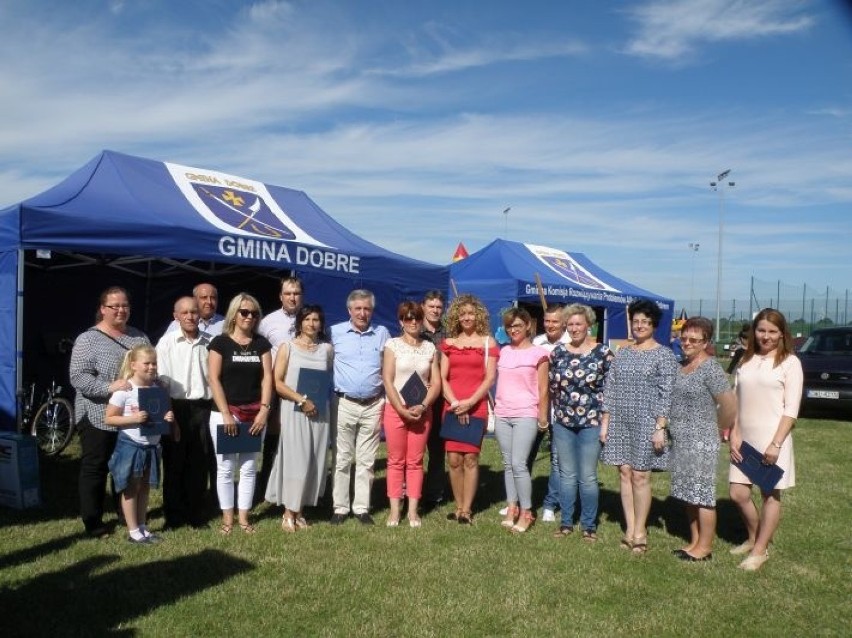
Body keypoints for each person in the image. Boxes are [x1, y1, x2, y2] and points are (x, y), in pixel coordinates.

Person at [70, 286, 150, 538]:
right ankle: (92, 521)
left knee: (126, 467)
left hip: (130, 418)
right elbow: (77, 377)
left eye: (124, 305)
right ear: (102, 309)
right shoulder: (87, 339)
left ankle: (124, 513)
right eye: (114, 306)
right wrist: (108, 387)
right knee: (96, 468)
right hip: (97, 414)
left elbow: (150, 366)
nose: (120, 310)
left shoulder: (139, 338)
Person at [600, 298, 679, 554]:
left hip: (647, 421)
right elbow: (610, 388)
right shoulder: (623, 353)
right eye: (636, 321)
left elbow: (667, 393)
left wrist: (660, 427)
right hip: (621, 420)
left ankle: (641, 531)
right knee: (624, 472)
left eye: (645, 322)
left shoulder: (664, 355)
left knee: (641, 475)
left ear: (654, 325)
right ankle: (629, 528)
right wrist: (605, 422)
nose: (640, 326)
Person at [728, 308, 803, 571]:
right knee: (737, 493)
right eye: (761, 330)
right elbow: (735, 399)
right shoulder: (745, 360)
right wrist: (733, 432)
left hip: (773, 439)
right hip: (744, 439)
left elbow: (791, 410)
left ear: (782, 333)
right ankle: (754, 537)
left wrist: (776, 443)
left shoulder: (790, 363)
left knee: (770, 494)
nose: (766, 336)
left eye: (772, 331)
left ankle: (760, 551)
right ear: (753, 331)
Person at [669, 316, 736, 561]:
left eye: (693, 339)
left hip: (701, 440)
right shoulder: (682, 366)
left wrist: (717, 430)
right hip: (681, 440)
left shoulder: (711, 368)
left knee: (703, 495)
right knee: (688, 494)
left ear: (705, 341)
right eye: (684, 338)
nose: (686, 342)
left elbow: (730, 405)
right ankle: (694, 541)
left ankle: (705, 548)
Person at [207, 293, 273, 535]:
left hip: (255, 414)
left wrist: (264, 411)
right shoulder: (219, 343)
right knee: (225, 467)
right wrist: (225, 413)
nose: (249, 317)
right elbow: (213, 379)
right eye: (244, 312)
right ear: (234, 314)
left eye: (254, 313)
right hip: (226, 413)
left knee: (248, 466)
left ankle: (243, 517)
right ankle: (227, 518)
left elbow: (267, 378)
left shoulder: (262, 344)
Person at [548, 303, 614, 541]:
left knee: (587, 476)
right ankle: (566, 522)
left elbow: (611, 390)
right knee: (566, 475)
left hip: (591, 423)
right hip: (563, 422)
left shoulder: (603, 353)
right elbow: (552, 387)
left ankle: (588, 525)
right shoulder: (557, 352)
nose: (574, 328)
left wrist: (606, 422)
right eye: (571, 324)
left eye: (579, 324)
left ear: (589, 325)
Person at [265, 305, 333, 531]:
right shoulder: (287, 347)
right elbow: (278, 383)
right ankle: (288, 513)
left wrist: (315, 403)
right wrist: (302, 400)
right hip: (295, 411)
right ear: (300, 322)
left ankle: (300, 511)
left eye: (316, 320)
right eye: (307, 319)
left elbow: (326, 379)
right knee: (296, 460)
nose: (312, 324)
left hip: (319, 413)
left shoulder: (327, 349)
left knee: (314, 460)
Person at [329, 290, 390, 526]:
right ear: (349, 311)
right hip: (344, 402)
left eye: (367, 309)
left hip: (373, 403)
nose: (362, 313)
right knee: (342, 458)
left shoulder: (382, 333)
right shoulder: (334, 333)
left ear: (372, 311)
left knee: (367, 460)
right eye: (358, 309)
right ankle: (340, 507)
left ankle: (362, 507)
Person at [105, 344, 176, 544]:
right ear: (133, 365)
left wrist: (167, 416)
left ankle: (143, 526)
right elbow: (109, 418)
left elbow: (161, 415)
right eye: (147, 363)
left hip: (151, 446)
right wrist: (134, 419)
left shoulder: (157, 389)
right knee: (130, 488)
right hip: (131, 444)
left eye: (154, 363)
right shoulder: (125, 390)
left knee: (144, 487)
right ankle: (133, 530)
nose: (152, 367)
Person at [382, 301, 442, 527]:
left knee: (416, 462)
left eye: (416, 317)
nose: (413, 322)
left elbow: (435, 383)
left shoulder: (429, 348)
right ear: (401, 322)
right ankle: (395, 511)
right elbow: (387, 379)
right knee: (396, 461)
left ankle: (413, 512)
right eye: (408, 318)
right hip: (396, 410)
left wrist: (424, 406)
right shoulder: (392, 345)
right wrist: (400, 409)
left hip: (421, 412)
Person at [439, 294, 498, 525]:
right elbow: (442, 377)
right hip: (452, 406)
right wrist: (456, 403)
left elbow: (490, 378)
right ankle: (458, 506)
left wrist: (470, 402)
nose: (466, 317)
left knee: (471, 458)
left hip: (476, 406)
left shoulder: (488, 343)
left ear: (479, 316)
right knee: (453, 459)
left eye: (471, 313)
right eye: (462, 313)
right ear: (456, 316)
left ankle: (467, 510)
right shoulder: (449, 343)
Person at [156, 296, 213, 529]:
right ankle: (173, 516)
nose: (190, 316)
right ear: (176, 316)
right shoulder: (167, 343)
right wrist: (171, 417)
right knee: (174, 464)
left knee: (199, 464)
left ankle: (196, 514)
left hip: (203, 408)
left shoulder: (211, 342)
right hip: (175, 407)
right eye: (185, 313)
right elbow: (161, 383)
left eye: (194, 312)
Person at [494, 308, 549, 533]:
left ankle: (527, 511)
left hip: (526, 413)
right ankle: (512, 507)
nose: (513, 329)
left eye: (517, 325)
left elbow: (543, 388)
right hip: (502, 413)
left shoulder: (540, 353)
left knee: (519, 463)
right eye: (509, 326)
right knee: (508, 464)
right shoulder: (504, 351)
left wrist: (543, 418)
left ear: (528, 326)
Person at [257, 275, 305, 504]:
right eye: (288, 293)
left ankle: (296, 485)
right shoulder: (267, 322)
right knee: (275, 437)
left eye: (296, 293)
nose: (292, 297)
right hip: (277, 386)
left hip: (303, 386)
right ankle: (267, 484)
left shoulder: (311, 319)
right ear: (280, 296)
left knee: (300, 438)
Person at [531, 303, 570, 522]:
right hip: (535, 408)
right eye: (547, 321)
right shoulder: (536, 343)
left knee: (557, 459)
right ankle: (519, 502)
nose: (550, 325)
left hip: (560, 411)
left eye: (555, 321)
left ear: (564, 322)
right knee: (526, 455)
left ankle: (549, 504)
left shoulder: (570, 344)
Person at [420, 290, 447, 506]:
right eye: (432, 306)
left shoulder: (448, 335)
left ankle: (435, 493)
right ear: (423, 307)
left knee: (437, 450)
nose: (436, 310)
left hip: (441, 400)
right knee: (416, 449)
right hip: (418, 397)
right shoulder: (413, 331)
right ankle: (413, 491)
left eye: (439, 307)